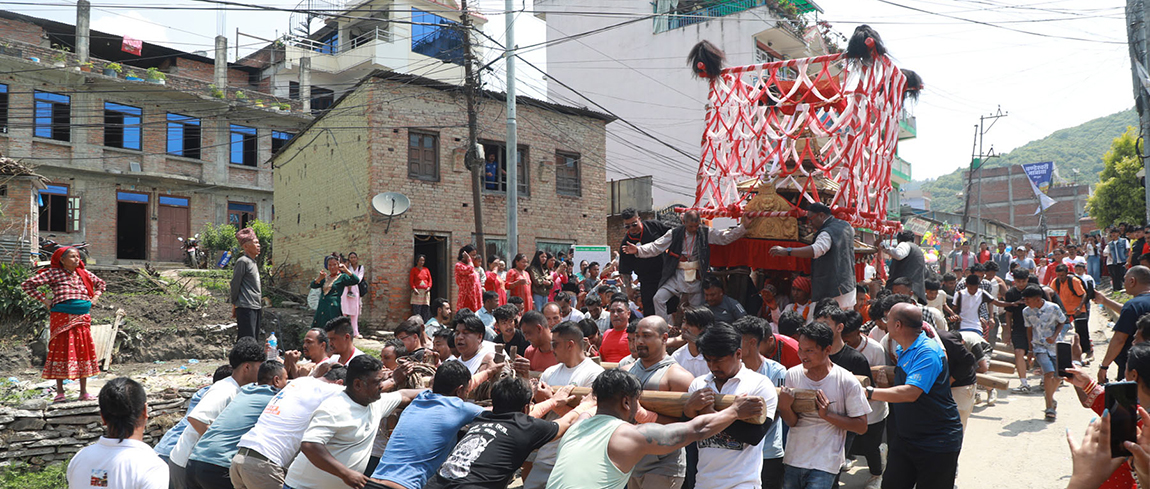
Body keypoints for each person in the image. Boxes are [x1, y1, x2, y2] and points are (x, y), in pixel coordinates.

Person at [546, 369, 764, 489]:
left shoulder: (576, 425)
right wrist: (734, 411)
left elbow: (585, 409)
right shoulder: (627, 434)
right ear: (626, 403)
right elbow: (696, 429)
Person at [426, 376, 593, 489]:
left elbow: (524, 416)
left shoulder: (481, 418)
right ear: (526, 407)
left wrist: (553, 401)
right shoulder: (525, 427)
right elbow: (567, 422)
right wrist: (589, 402)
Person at [283, 356, 423, 489]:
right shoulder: (335, 408)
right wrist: (345, 473)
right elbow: (310, 445)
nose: (382, 386)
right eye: (377, 382)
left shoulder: (376, 403)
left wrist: (438, 390)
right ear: (357, 384)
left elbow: (405, 395)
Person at [867, 303, 963, 489]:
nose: (884, 323)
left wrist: (869, 392)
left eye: (888, 319)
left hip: (937, 441)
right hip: (906, 438)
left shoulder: (926, 352)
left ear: (898, 325)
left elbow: (911, 392)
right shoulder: (905, 348)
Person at [776, 322, 870, 489]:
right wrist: (784, 407)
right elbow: (793, 422)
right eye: (800, 349)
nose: (802, 355)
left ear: (827, 350)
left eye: (809, 351)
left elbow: (861, 426)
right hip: (794, 459)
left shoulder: (846, 381)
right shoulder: (793, 375)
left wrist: (827, 416)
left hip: (825, 464)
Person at [686, 323, 778, 489]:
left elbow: (755, 436)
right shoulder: (698, 385)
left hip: (742, 483)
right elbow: (690, 432)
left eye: (719, 361)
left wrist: (709, 413)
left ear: (738, 353)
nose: (713, 367)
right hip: (703, 482)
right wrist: (689, 410)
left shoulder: (759, 385)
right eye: (708, 360)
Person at [368, 361, 485, 489]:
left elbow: (404, 393)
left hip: (373, 481)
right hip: (404, 486)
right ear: (460, 390)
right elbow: (498, 412)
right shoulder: (459, 407)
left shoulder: (420, 398)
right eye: (466, 392)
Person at [168, 337, 265, 489]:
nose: (262, 373)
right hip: (187, 462)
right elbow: (196, 418)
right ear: (247, 367)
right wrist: (215, 444)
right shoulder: (225, 389)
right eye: (260, 367)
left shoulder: (240, 390)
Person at [521, 321, 606, 489]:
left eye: (555, 344)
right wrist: (539, 400)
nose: (552, 349)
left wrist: (551, 402)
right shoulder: (549, 372)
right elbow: (540, 415)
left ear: (570, 345)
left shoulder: (595, 375)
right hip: (545, 456)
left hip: (574, 459)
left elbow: (588, 421)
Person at [231, 366, 347, 489]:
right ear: (339, 383)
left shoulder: (300, 381)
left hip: (240, 458)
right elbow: (358, 393)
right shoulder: (332, 389)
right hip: (263, 464)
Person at [625, 210, 747, 322]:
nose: (694, 229)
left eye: (696, 225)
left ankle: (695, 335)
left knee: (695, 311)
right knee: (658, 298)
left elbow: (724, 238)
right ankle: (663, 328)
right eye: (690, 226)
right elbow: (656, 246)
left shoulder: (705, 232)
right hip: (676, 276)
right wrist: (638, 250)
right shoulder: (674, 233)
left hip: (696, 277)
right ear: (683, 223)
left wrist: (743, 227)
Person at [21, 246, 107, 402]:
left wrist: (94, 298)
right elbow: (27, 285)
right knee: (60, 350)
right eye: (73, 256)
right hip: (61, 318)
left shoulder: (83, 273)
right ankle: (60, 393)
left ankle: (83, 392)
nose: (77, 259)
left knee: (82, 351)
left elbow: (101, 284)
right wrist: (44, 300)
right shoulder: (53, 273)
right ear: (62, 260)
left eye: (78, 257)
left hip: (82, 318)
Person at [186, 360, 288, 489]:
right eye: (286, 380)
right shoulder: (272, 400)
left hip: (195, 460)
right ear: (276, 380)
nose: (287, 385)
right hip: (219, 465)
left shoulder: (245, 392)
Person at [626, 316, 697, 489]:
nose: (639, 341)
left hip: (663, 464)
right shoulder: (625, 371)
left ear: (664, 338)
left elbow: (689, 426)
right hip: (629, 461)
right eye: (637, 336)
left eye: (646, 335)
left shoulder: (678, 377)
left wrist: (647, 416)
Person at [67, 377, 168, 489]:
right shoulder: (151, 466)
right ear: (145, 410)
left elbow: (101, 483)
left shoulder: (80, 459)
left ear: (102, 417)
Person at [730, 316, 788, 489]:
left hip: (769, 451)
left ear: (751, 342)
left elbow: (776, 412)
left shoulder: (777, 371)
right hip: (737, 452)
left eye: (737, 339)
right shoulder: (731, 371)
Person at [770, 203, 857, 309]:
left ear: (821, 215)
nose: (810, 223)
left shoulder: (827, 232)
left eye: (810, 219)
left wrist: (787, 251)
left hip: (834, 291)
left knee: (827, 321)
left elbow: (815, 250)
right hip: (848, 286)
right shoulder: (846, 226)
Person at [840, 311, 887, 489]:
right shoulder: (838, 348)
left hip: (873, 408)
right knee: (846, 442)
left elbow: (882, 382)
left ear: (859, 331)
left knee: (870, 446)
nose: (846, 342)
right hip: (847, 408)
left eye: (849, 338)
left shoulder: (875, 349)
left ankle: (876, 475)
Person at [155, 365, 233, 463]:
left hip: (165, 446)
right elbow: (197, 420)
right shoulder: (219, 396)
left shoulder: (203, 393)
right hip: (175, 452)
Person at [618, 207, 673, 319]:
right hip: (647, 280)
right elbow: (625, 269)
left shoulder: (654, 226)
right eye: (627, 226)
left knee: (672, 307)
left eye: (634, 224)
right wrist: (629, 288)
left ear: (639, 219)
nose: (632, 229)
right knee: (650, 310)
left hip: (666, 275)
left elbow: (672, 236)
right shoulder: (626, 243)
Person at [1099, 266, 1150, 382]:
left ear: (1132, 281)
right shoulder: (1135, 306)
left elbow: (1119, 339)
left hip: (1136, 366)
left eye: (1125, 279)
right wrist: (1105, 301)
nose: (1124, 283)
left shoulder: (1133, 305)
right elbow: (1131, 312)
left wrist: (1104, 366)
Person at [310, 255, 360, 329]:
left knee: (332, 329)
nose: (332, 267)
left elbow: (356, 280)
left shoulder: (342, 277)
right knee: (320, 330)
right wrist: (319, 278)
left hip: (333, 308)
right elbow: (313, 285)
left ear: (338, 265)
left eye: (334, 264)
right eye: (330, 265)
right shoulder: (325, 278)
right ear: (327, 266)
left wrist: (346, 270)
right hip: (322, 307)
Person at [231, 228, 263, 341]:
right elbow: (235, 283)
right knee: (247, 340)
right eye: (255, 243)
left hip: (255, 306)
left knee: (253, 339)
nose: (258, 245)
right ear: (246, 246)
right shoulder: (243, 261)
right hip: (246, 307)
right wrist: (234, 303)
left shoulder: (253, 262)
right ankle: (240, 359)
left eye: (258, 242)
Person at [882, 230, 926, 303]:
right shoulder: (918, 250)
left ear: (899, 240)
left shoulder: (905, 245)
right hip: (914, 291)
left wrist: (884, 247)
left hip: (902, 292)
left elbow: (899, 255)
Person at [672, 306, 716, 378]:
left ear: (704, 328)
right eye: (684, 322)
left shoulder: (717, 355)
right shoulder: (677, 357)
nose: (684, 327)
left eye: (690, 324)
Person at [601, 296, 634, 362]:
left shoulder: (634, 334)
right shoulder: (606, 333)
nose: (615, 315)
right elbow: (602, 358)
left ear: (628, 314)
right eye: (612, 311)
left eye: (619, 311)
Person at [341, 252, 366, 338]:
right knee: (344, 310)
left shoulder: (360, 268)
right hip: (345, 290)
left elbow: (358, 279)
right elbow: (345, 276)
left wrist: (352, 278)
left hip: (355, 289)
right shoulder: (347, 267)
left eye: (354, 257)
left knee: (354, 311)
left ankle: (355, 332)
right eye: (351, 258)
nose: (353, 259)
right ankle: (343, 331)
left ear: (357, 258)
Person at [455, 245, 484, 313]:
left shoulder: (472, 265)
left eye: (475, 255)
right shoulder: (459, 265)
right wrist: (469, 259)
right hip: (466, 297)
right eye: (472, 255)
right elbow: (470, 269)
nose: (474, 257)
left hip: (476, 296)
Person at [410, 254, 433, 321]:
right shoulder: (414, 270)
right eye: (420, 260)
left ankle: (425, 323)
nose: (422, 262)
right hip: (417, 292)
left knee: (425, 308)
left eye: (423, 260)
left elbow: (430, 280)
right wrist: (414, 289)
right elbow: (411, 281)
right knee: (417, 309)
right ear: (417, 261)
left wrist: (429, 287)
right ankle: (417, 323)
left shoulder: (426, 270)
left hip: (425, 292)